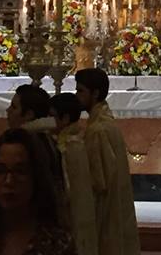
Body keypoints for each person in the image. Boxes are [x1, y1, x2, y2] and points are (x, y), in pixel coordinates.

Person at [75, 69, 139, 255]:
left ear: (95, 93)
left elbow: (97, 181)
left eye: (80, 91)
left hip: (105, 209)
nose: (77, 96)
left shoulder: (98, 130)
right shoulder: (104, 122)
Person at [50, 95, 97, 255]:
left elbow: (67, 188)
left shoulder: (68, 147)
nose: (48, 121)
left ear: (65, 119)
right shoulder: (75, 142)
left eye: (52, 116)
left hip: (71, 214)